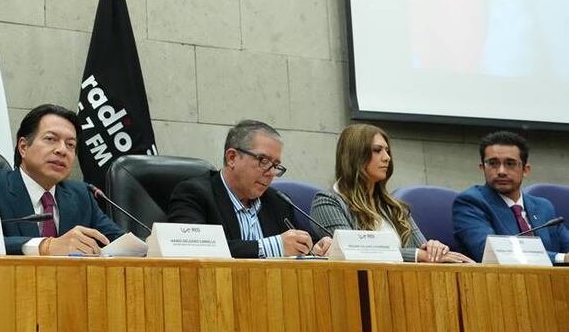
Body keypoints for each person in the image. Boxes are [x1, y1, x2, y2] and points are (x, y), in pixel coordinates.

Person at [0, 104, 123, 255]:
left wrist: (146, 245)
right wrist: (45, 246)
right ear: (23, 147)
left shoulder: (82, 195)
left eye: (70, 144)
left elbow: (117, 241)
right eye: (51, 139)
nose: (62, 150)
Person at [167, 120, 331, 258]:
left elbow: (297, 243)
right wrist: (273, 247)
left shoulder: (277, 201)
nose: (271, 173)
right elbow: (190, 250)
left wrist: (314, 249)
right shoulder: (194, 194)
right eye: (263, 161)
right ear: (232, 158)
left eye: (275, 165)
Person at [310, 124, 471, 263]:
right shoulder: (328, 203)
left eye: (387, 151)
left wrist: (434, 249)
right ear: (355, 156)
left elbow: (423, 250)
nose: (387, 158)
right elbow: (354, 252)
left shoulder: (394, 207)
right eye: (377, 150)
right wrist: (418, 255)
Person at [453, 130, 569, 263]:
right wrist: (561, 258)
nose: (501, 171)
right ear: (482, 168)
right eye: (493, 163)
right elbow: (492, 254)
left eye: (510, 164)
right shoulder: (470, 203)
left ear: (525, 170)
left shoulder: (543, 207)